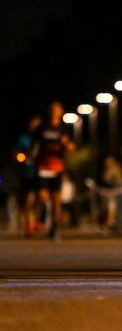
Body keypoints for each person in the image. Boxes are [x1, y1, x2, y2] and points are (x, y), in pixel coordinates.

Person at [32, 102, 75, 241]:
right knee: (42, 196)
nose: (54, 112)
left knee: (56, 199)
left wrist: (66, 144)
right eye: (52, 109)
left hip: (57, 167)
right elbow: (34, 145)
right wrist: (32, 155)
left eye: (57, 109)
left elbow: (71, 147)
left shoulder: (64, 128)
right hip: (43, 167)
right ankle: (40, 217)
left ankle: (54, 228)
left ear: (61, 112)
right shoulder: (42, 127)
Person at [13, 114, 42, 237]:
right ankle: (29, 222)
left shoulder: (42, 138)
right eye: (33, 124)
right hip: (27, 172)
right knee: (26, 199)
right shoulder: (24, 139)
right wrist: (24, 157)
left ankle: (36, 219)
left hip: (41, 172)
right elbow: (16, 154)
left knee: (41, 196)